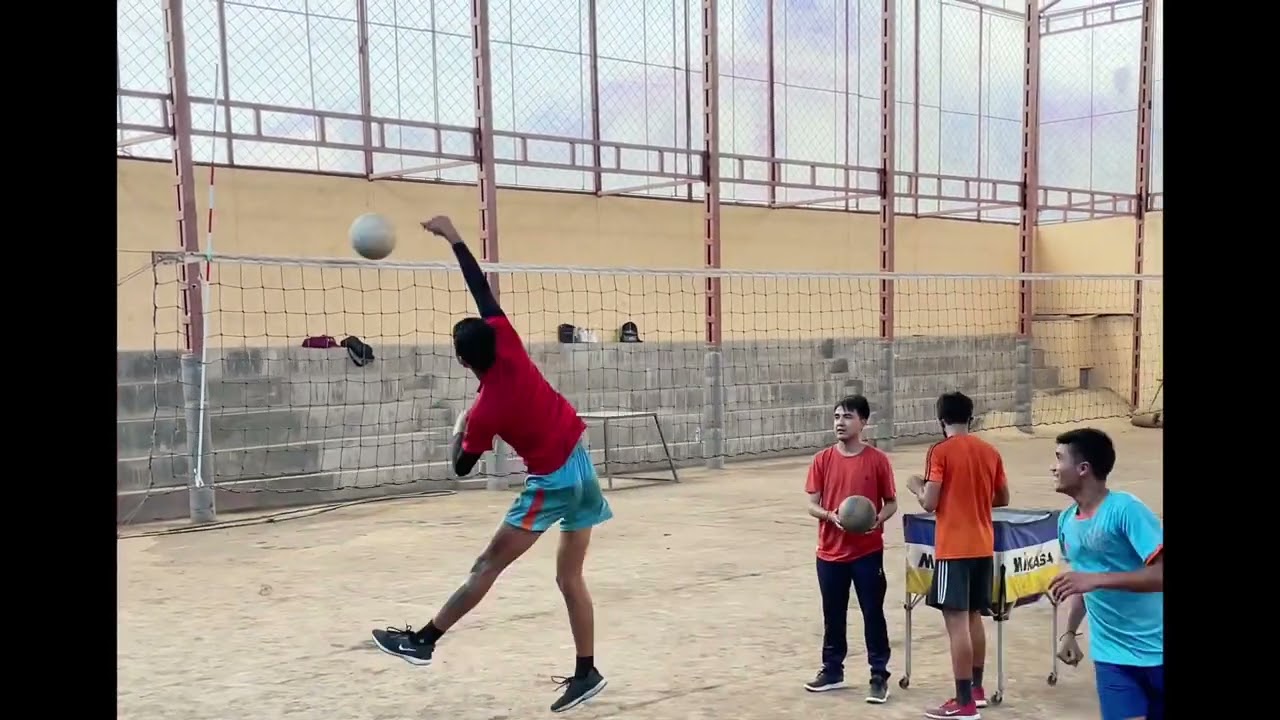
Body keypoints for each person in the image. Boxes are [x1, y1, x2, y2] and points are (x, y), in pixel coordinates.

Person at [370, 215, 613, 714]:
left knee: (487, 565)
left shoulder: (485, 411)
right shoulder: (510, 342)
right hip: (582, 461)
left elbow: (461, 468)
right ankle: (586, 670)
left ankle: (424, 641)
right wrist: (456, 238)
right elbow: (481, 289)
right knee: (569, 578)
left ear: (463, 362)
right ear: (495, 337)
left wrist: (458, 429)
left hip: (554, 482)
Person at [907, 391, 1009, 720]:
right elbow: (1002, 497)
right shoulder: (989, 451)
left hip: (954, 548)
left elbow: (929, 502)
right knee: (974, 618)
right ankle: (976, 690)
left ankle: (963, 702)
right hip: (983, 545)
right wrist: (973, 498)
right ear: (971, 417)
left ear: (940, 421)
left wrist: (915, 485)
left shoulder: (940, 451)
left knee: (956, 624)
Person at [1048, 428, 1163, 720]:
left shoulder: (1126, 509)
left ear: (1083, 468)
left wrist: (1095, 579)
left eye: (1059, 459)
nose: (1053, 467)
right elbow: (1081, 584)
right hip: (1112, 657)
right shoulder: (1066, 522)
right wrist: (1070, 633)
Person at [803, 395, 899, 703]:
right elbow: (811, 504)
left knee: (873, 613)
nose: (840, 423)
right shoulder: (822, 460)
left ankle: (878, 675)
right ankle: (832, 670)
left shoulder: (877, 460)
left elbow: (891, 503)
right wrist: (832, 516)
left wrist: (876, 520)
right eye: (836, 417)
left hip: (867, 552)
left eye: (847, 417)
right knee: (833, 613)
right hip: (829, 552)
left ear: (863, 422)